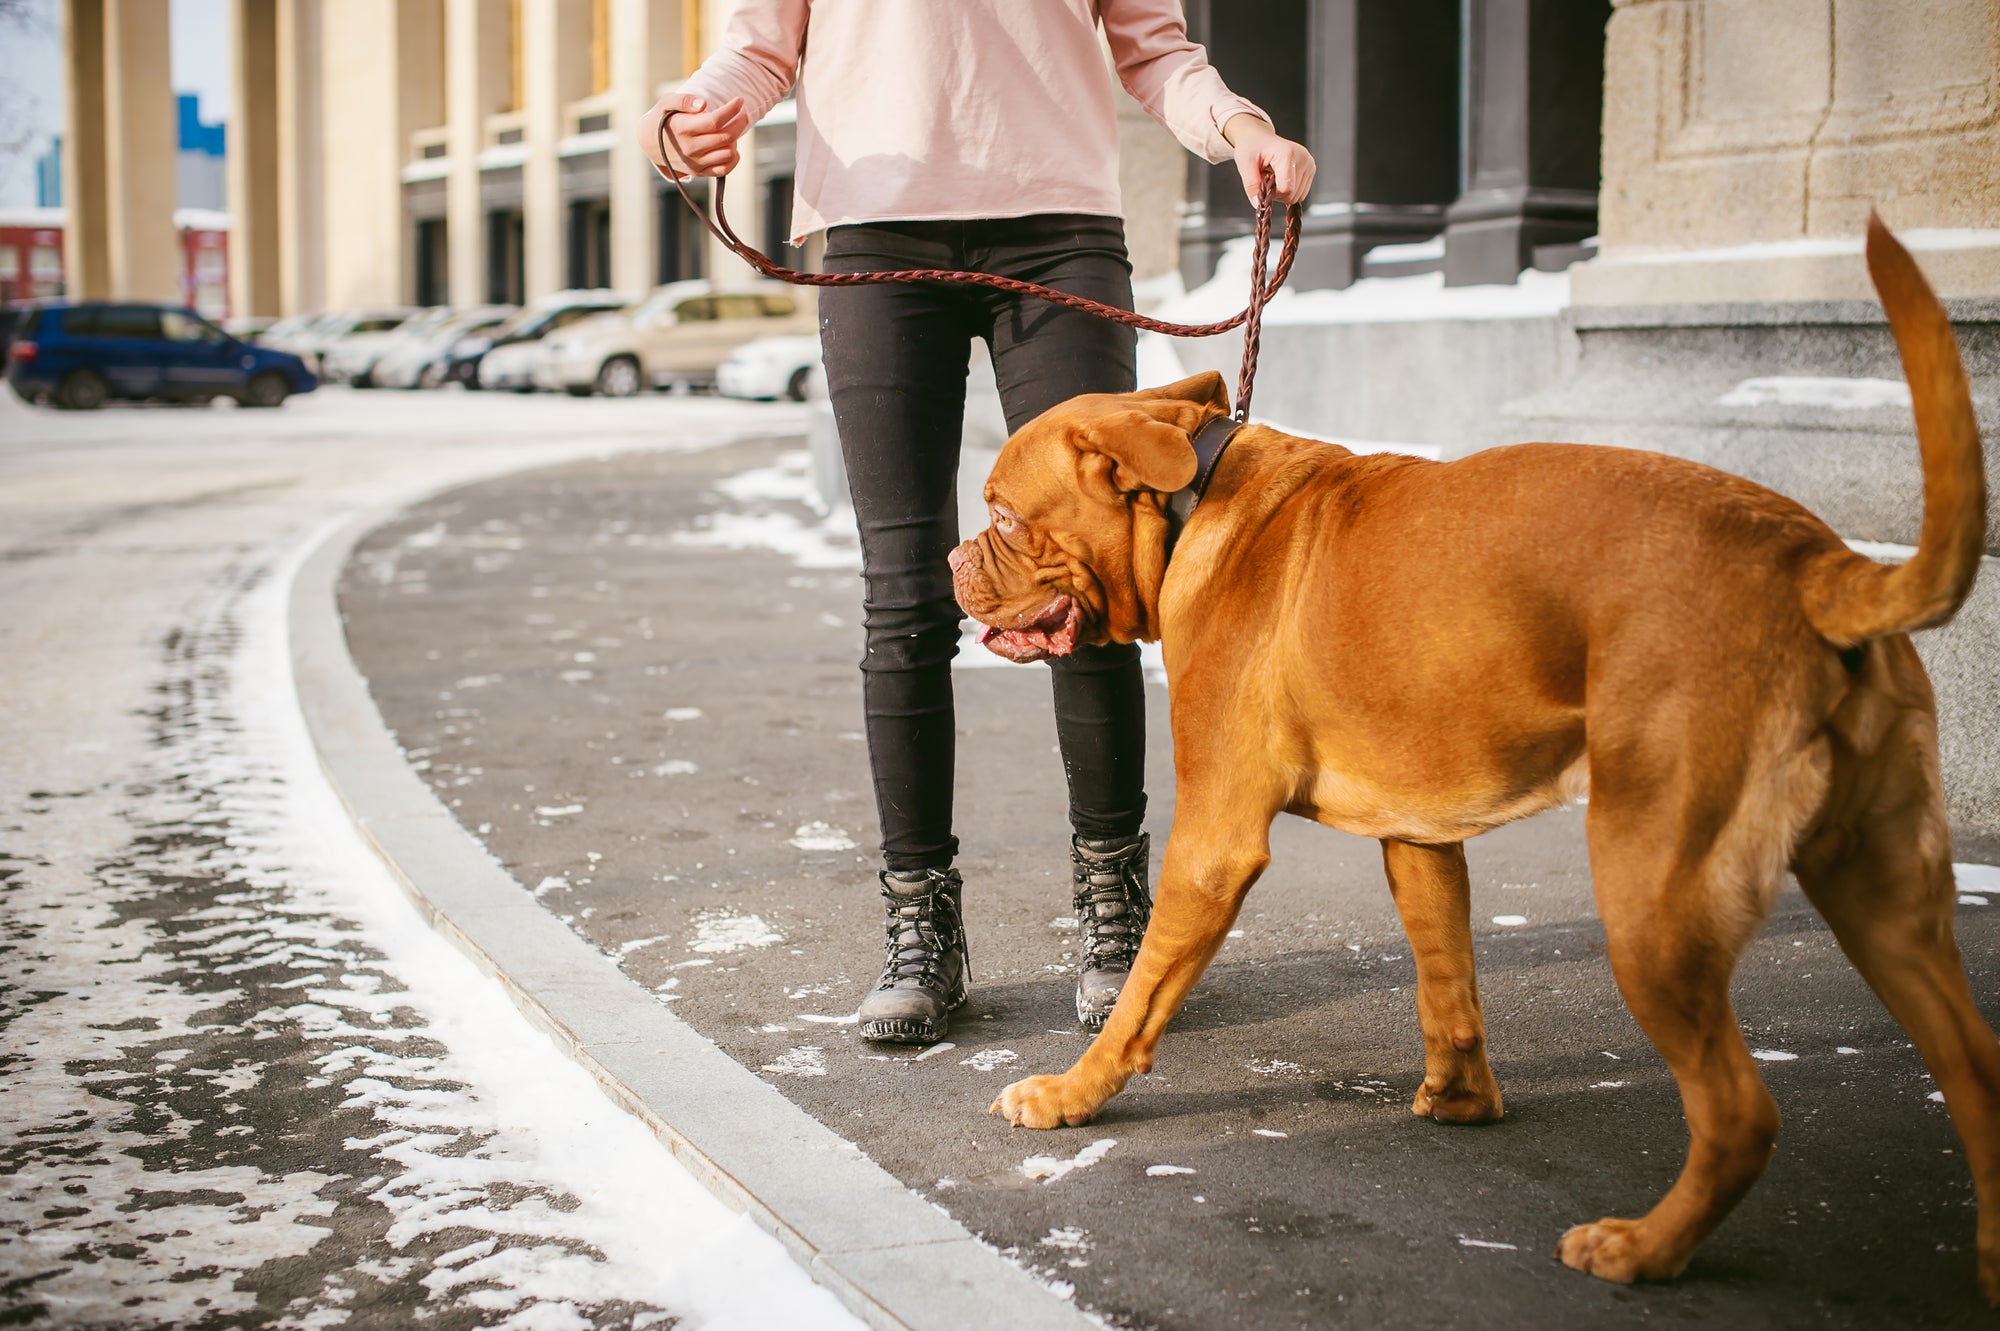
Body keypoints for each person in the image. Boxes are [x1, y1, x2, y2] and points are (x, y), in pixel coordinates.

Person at [642, 1, 1314, 1046]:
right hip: (871, 227)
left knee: (1085, 580)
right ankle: (919, 922)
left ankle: (1112, 906)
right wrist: (683, 121)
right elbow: (758, 49)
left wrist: (1240, 128)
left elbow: (1154, 48)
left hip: (1059, 235)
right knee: (903, 589)